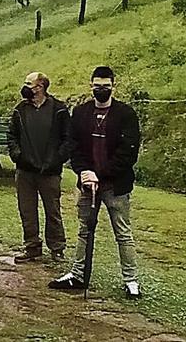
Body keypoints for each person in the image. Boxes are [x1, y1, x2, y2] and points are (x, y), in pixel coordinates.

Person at [49, 66, 143, 299]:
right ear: (90, 85)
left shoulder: (125, 114)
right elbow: (74, 146)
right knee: (84, 230)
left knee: (122, 233)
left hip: (115, 186)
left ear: (113, 86)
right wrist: (84, 173)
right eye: (97, 86)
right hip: (88, 185)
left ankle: (131, 280)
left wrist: (99, 174)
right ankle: (78, 274)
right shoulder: (81, 113)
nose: (101, 90)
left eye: (106, 86)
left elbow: (128, 153)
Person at [7, 72, 70, 263]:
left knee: (53, 210)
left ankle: (57, 248)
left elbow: (68, 139)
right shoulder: (20, 110)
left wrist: (57, 160)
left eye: (29, 83)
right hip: (25, 170)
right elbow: (11, 136)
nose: (25, 87)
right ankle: (32, 246)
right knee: (27, 210)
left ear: (40, 86)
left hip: (50, 171)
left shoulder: (59, 110)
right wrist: (18, 156)